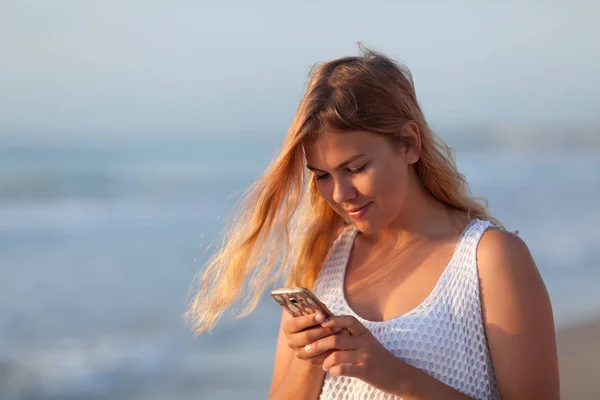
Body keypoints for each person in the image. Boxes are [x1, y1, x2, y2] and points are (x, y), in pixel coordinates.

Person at [185, 47, 560, 399]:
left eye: (356, 168)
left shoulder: (489, 260)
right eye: (322, 175)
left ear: (409, 143)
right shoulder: (321, 260)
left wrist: (392, 374)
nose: (339, 194)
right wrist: (309, 360)